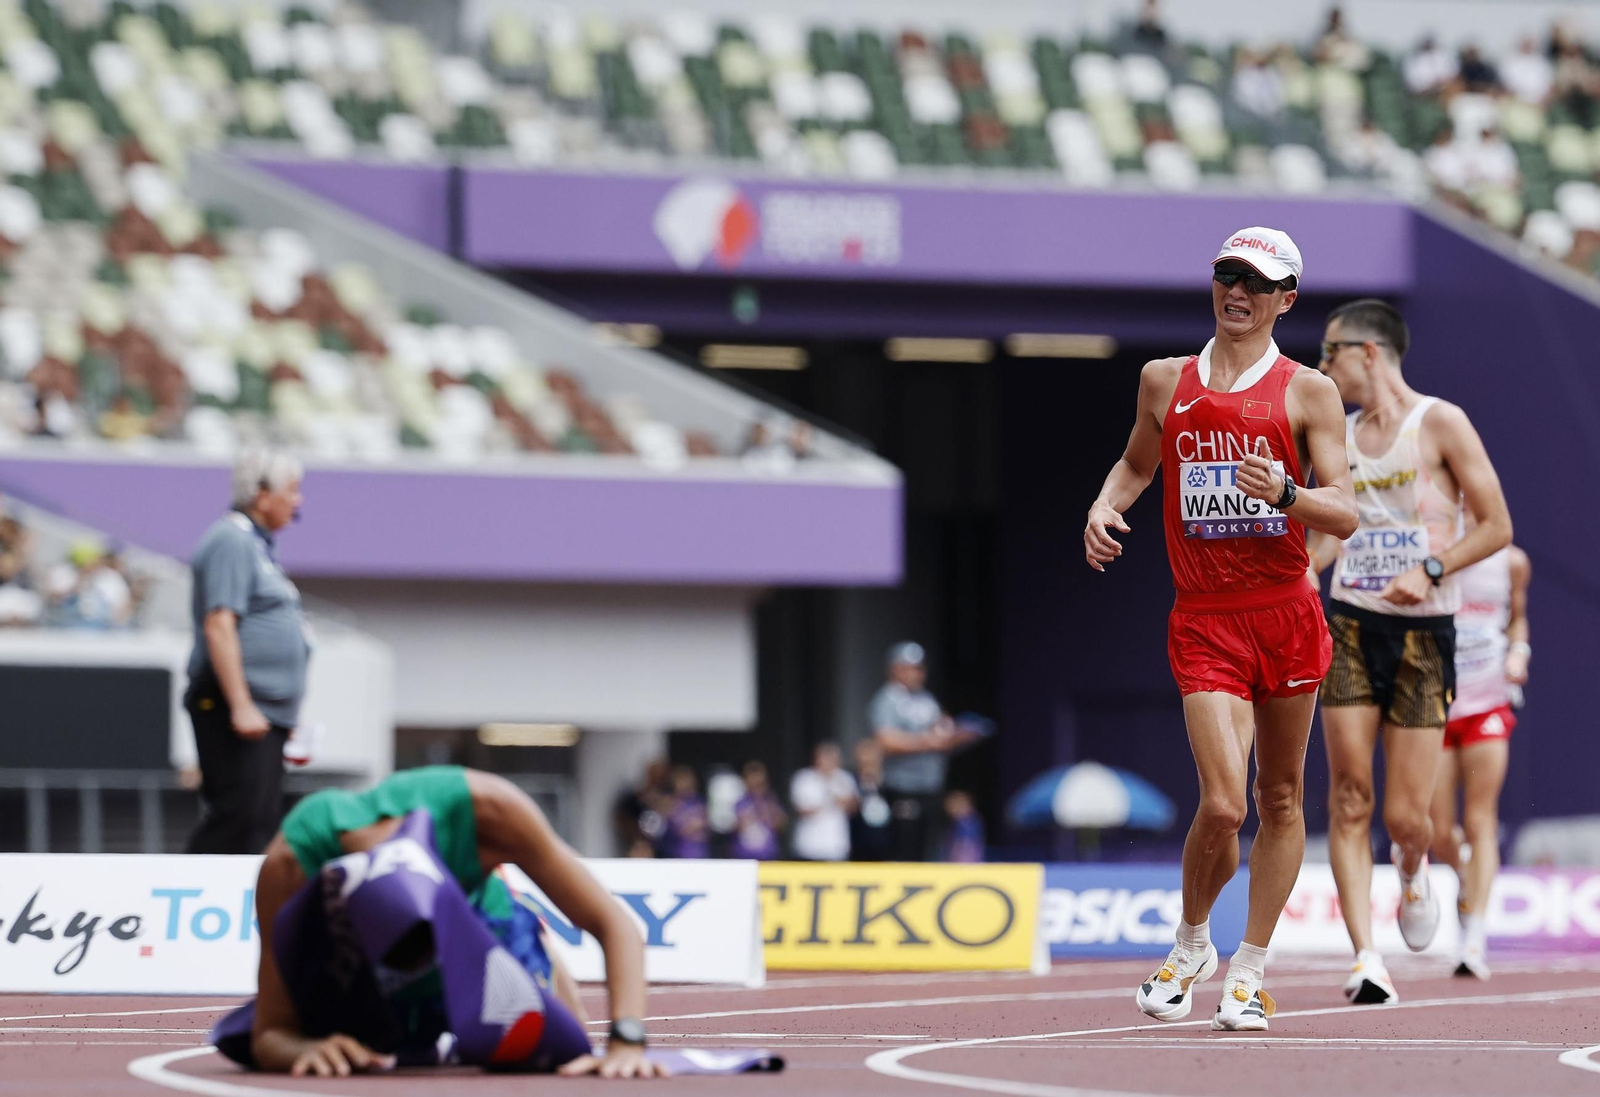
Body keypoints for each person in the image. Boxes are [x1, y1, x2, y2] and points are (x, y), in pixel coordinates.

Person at [1084, 226, 1358, 1032]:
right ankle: (1192, 940)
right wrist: (1106, 505)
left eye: (1255, 281)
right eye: (1226, 275)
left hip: (1286, 612)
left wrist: (1286, 494)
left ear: (1285, 300)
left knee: (1280, 795)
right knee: (1220, 801)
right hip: (1205, 619)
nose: (1237, 291)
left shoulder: (1309, 391)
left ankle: (1250, 968)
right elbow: (1137, 464)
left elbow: (1344, 507)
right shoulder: (1164, 380)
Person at [1308, 298, 1512, 1005]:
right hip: (1352, 625)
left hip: (1425, 633)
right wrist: (1308, 564)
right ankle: (1367, 956)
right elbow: (1336, 527)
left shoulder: (1441, 422)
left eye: (1330, 352)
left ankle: (1415, 868)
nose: (1321, 366)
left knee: (1408, 817)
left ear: (1368, 352)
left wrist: (1428, 569)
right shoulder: (1336, 435)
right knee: (1348, 794)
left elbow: (1496, 525)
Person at [245, 765, 664, 1078]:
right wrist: (303, 1047)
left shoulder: (489, 809)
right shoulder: (289, 866)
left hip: (484, 933)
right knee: (370, 1051)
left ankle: (541, 960)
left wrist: (627, 1039)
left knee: (560, 1052)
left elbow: (614, 924)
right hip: (364, 987)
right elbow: (270, 1035)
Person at [186, 447, 310, 855]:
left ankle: (242, 912)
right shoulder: (232, 540)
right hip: (234, 707)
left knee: (258, 822)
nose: (298, 501)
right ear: (262, 495)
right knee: (237, 818)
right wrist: (241, 704)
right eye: (291, 490)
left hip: (265, 712)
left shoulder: (259, 546)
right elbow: (220, 624)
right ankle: (189, 902)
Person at [1430, 540, 1530, 980]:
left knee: (1480, 819)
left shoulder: (1512, 561)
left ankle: (1474, 936)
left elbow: (1518, 619)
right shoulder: (1432, 551)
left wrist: (1518, 652)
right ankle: (1466, 873)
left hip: (1488, 701)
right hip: (1434, 702)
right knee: (1435, 828)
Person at [869, 642, 978, 861]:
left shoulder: (926, 699)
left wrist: (956, 734)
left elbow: (941, 727)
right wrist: (928, 742)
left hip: (930, 786)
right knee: (905, 850)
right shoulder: (888, 700)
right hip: (904, 786)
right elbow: (886, 740)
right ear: (896, 669)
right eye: (911, 668)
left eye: (920, 668)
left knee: (927, 850)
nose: (918, 673)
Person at [790, 742, 858, 861]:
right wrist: (829, 800)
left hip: (836, 847)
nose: (829, 761)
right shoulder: (804, 778)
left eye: (832, 758)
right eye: (826, 757)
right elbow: (802, 810)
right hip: (810, 847)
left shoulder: (844, 778)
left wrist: (846, 801)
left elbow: (854, 808)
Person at [849, 738, 895, 862]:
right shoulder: (849, 781)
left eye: (872, 753)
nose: (869, 758)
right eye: (865, 753)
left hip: (886, 845)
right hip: (857, 845)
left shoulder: (890, 783)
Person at [731, 761, 787, 860]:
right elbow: (733, 828)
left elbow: (782, 824)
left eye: (759, 782)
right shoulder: (740, 802)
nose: (756, 783)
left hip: (768, 855)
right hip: (744, 855)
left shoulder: (771, 801)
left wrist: (766, 809)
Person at [660, 766, 709, 859]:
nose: (685, 784)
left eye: (687, 780)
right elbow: (673, 829)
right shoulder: (669, 802)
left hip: (699, 852)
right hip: (677, 854)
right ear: (674, 782)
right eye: (681, 780)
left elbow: (706, 828)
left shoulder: (699, 801)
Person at [943, 790, 985, 863]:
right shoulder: (962, 821)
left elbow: (965, 848)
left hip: (964, 866)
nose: (948, 809)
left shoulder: (967, 822)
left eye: (951, 804)